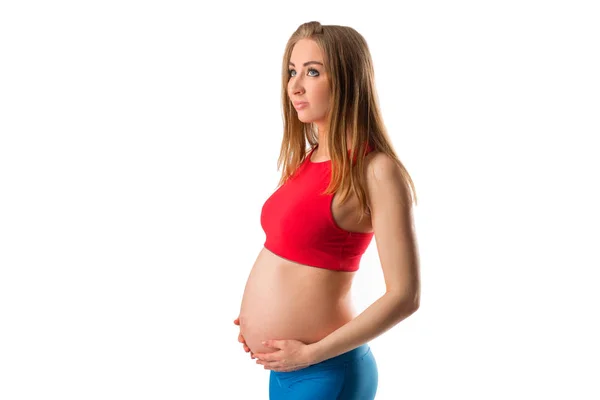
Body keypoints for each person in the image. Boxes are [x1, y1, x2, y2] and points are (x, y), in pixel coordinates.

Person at [233, 21, 420, 399]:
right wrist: (258, 321)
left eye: (313, 72)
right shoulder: (307, 159)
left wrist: (310, 353)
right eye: (292, 71)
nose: (295, 86)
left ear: (348, 80)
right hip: (287, 368)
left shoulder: (376, 170)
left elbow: (405, 295)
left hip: (325, 369)